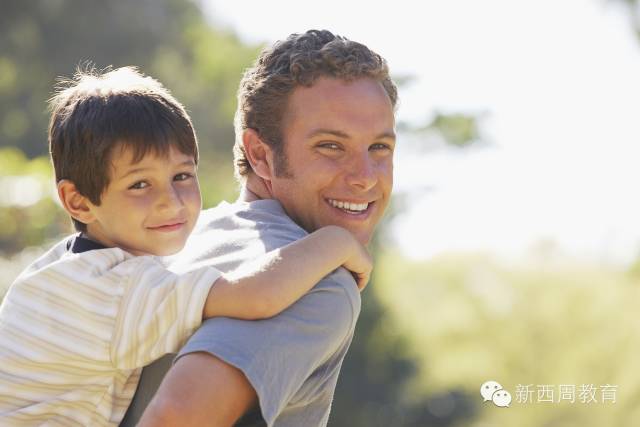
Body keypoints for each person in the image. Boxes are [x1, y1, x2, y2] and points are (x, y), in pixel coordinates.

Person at [0, 66, 373, 426]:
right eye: (139, 185)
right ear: (78, 201)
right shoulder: (117, 292)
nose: (171, 201)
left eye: (181, 176)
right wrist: (336, 242)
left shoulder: (62, 267)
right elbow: (254, 296)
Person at [126, 29, 398, 427]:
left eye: (379, 148)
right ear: (260, 155)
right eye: (330, 146)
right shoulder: (313, 283)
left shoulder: (179, 239)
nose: (364, 177)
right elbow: (175, 417)